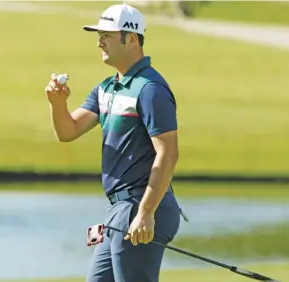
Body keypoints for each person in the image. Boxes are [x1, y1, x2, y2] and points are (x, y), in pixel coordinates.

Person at [45, 3, 183, 282]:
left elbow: (168, 154)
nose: (99, 43)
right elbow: (68, 130)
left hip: (141, 205)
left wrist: (145, 213)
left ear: (131, 38)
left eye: (106, 35)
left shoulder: (150, 89)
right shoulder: (106, 88)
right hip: (119, 210)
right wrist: (58, 104)